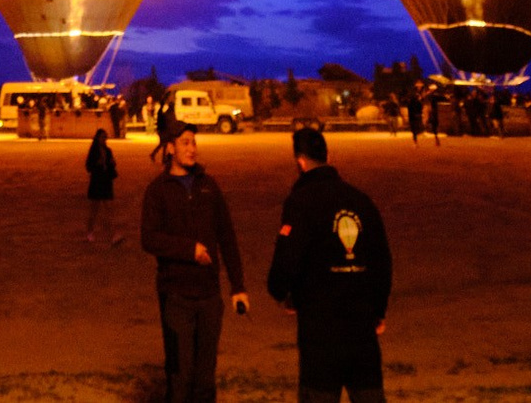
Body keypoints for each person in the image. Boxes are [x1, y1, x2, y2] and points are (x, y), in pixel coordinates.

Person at [267, 127, 393, 403]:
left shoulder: (301, 202)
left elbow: (287, 260)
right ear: (328, 155)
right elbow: (381, 260)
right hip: (361, 329)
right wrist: (378, 308)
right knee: (369, 394)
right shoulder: (360, 201)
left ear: (300, 162)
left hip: (320, 331)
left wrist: (283, 293)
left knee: (319, 394)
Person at [140, 126, 247, 403]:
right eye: (185, 143)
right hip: (176, 297)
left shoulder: (208, 185)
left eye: (194, 143)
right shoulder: (158, 191)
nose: (192, 148)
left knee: (205, 378)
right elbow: (149, 238)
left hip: (209, 295)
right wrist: (190, 250)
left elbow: (227, 235)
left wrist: (238, 286)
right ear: (171, 148)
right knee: (180, 376)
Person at [85, 126, 121, 244]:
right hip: (97, 182)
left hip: (106, 182)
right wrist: (97, 163)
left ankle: (114, 234)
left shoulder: (108, 151)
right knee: (94, 210)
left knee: (109, 209)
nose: (105, 139)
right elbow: (88, 167)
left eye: (106, 137)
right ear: (98, 138)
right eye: (103, 137)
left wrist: (112, 163)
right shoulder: (93, 152)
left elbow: (111, 165)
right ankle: (90, 232)